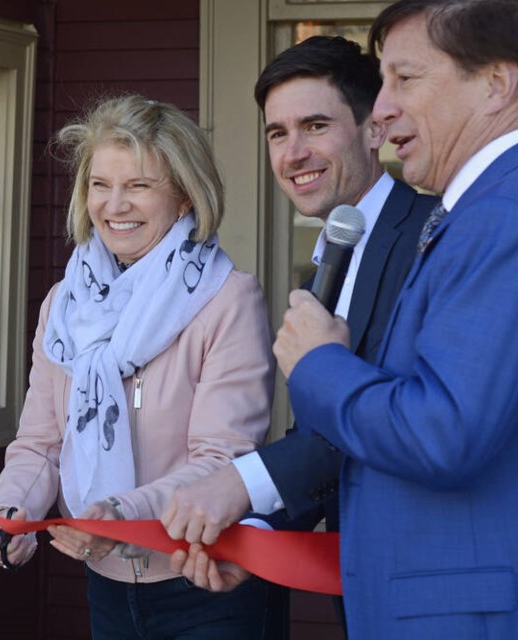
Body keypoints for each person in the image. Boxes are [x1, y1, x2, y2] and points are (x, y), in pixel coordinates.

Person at [0, 94, 276, 638]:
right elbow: (42, 442)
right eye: (100, 185)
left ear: (186, 197)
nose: (115, 205)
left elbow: (222, 460)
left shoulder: (228, 299)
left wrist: (121, 513)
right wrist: (9, 514)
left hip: (204, 583)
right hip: (107, 586)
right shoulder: (63, 305)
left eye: (138, 185)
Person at [161, 35, 437, 610]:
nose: (293, 154)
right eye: (277, 133)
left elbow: (389, 419)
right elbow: (325, 429)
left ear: (374, 129)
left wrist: (240, 483)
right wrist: (260, 538)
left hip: (432, 578)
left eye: (315, 126)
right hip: (366, 585)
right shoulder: (331, 258)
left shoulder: (426, 239)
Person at [272, 1, 518, 637]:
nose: (381, 110)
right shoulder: (474, 213)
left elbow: (443, 432)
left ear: (496, 84)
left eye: (405, 80)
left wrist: (320, 364)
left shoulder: (501, 215)